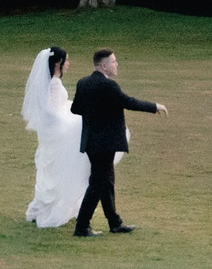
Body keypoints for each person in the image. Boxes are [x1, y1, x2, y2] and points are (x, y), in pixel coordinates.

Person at [70, 48, 167, 236]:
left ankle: (114, 222)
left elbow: (76, 109)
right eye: (114, 62)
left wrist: (96, 113)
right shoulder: (109, 86)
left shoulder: (83, 83)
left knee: (106, 181)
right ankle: (82, 226)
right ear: (104, 66)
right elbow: (128, 102)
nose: (117, 65)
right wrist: (154, 107)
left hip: (91, 141)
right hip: (105, 142)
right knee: (98, 183)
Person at [21, 45, 90, 227]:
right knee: (59, 169)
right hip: (57, 133)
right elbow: (51, 112)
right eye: (66, 60)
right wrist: (72, 120)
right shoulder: (54, 84)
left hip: (50, 134)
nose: (69, 64)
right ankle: (53, 207)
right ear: (58, 63)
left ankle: (42, 206)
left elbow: (56, 106)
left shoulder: (51, 83)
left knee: (50, 169)